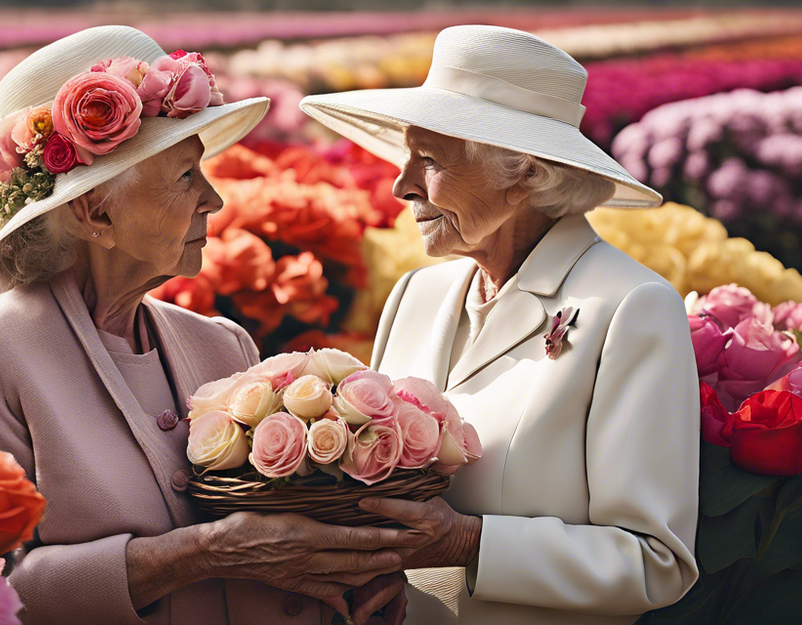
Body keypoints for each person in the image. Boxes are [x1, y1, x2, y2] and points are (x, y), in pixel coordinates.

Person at [0, 25, 416, 625]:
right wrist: (201, 555)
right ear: (94, 210)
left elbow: (280, 544)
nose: (214, 200)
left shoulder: (221, 343)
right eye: (185, 177)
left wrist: (354, 576)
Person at [300, 25, 700, 625]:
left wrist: (466, 542)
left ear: (524, 174)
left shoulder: (631, 305)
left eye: (428, 160)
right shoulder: (417, 293)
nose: (400, 184)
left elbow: (653, 562)